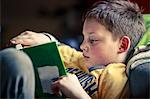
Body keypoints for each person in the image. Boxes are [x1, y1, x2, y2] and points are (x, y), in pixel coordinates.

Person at [0, 0, 146, 98]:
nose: (83, 46)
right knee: (13, 58)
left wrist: (77, 93)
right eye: (83, 38)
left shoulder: (115, 78)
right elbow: (58, 47)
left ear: (122, 45)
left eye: (93, 40)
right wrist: (45, 39)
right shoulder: (78, 57)